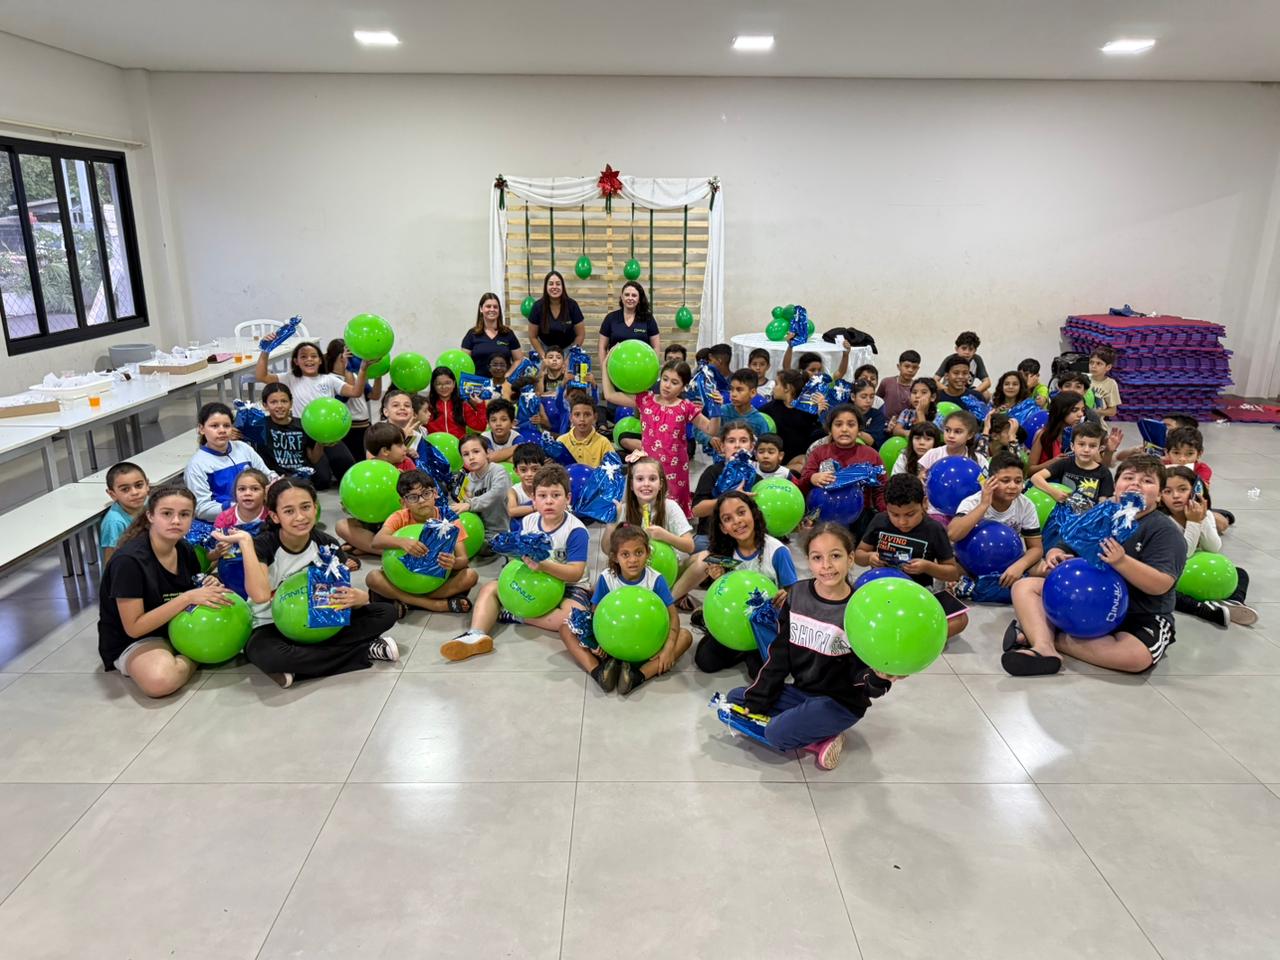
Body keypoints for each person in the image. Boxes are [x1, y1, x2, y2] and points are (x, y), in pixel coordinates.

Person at [727, 523, 900, 771]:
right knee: (737, 698)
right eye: (817, 558)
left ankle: (823, 739)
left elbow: (863, 676)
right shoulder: (797, 594)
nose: (826, 565)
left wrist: (877, 678)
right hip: (802, 692)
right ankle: (805, 720)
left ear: (851, 559)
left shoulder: (860, 609)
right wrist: (757, 699)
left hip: (840, 702)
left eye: (835, 556)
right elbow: (779, 655)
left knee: (776, 734)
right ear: (808, 561)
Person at [1004, 455, 1188, 676]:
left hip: (1139, 613)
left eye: (1147, 481)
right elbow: (1068, 542)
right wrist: (1056, 554)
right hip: (1088, 602)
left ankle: (1043, 634)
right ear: (1116, 487)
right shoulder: (1105, 513)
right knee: (1024, 587)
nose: (1136, 484)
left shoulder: (1165, 531)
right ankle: (1044, 648)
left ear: (1159, 495)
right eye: (1128, 477)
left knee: (1135, 658)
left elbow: (1161, 584)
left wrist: (1121, 562)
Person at [233, 478, 398, 688]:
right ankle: (363, 651)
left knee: (385, 612)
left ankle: (301, 667)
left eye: (305, 507)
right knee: (266, 654)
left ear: (315, 508)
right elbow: (260, 596)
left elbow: (340, 597)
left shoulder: (327, 543)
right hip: (271, 625)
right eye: (289, 511)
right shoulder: (263, 544)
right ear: (275, 516)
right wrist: (246, 543)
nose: (300, 517)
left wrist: (360, 597)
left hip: (321, 622)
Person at [444, 463, 591, 661]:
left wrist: (544, 566)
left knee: (573, 620)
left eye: (556, 495)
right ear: (533, 499)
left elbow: (575, 573)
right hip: (532, 578)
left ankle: (516, 615)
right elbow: (519, 555)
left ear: (568, 499)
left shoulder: (576, 530)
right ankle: (476, 635)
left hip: (570, 586)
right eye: (542, 496)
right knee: (490, 588)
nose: (549, 501)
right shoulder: (529, 521)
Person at [97, 485, 224, 697]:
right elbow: (134, 628)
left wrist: (207, 583)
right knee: (160, 682)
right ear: (150, 516)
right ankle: (196, 655)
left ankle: (186, 651)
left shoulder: (184, 549)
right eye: (166, 513)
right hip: (136, 639)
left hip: (176, 626)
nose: (176, 521)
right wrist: (188, 597)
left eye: (184, 514)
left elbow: (193, 585)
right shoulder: (128, 561)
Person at [560, 524, 693, 693]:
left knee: (685, 636)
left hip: (647, 647)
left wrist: (668, 648)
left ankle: (637, 676)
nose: (633, 560)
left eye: (639, 552)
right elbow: (595, 614)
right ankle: (598, 671)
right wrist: (595, 643)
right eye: (625, 554)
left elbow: (673, 616)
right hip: (609, 647)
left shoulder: (656, 580)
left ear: (648, 553)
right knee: (565, 628)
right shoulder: (607, 578)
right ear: (615, 557)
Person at [684, 490, 798, 675]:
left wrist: (786, 595)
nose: (737, 521)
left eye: (741, 512)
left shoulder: (777, 551)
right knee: (705, 661)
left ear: (753, 513)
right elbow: (726, 595)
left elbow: (795, 592)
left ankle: (746, 650)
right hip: (735, 621)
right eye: (727, 519)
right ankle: (736, 645)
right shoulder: (724, 551)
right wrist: (719, 579)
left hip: (768, 624)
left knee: (759, 672)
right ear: (723, 528)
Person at [855, 473, 968, 638]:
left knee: (960, 620)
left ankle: (907, 637)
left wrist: (927, 567)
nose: (902, 522)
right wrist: (870, 557)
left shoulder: (934, 529)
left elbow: (952, 572)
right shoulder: (879, 521)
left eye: (910, 514)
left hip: (917, 596)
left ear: (924, 503)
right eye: (894, 515)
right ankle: (913, 636)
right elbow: (858, 555)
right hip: (881, 593)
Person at [601, 359, 718, 514]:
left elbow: (711, 429)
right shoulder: (645, 400)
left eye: (674, 382)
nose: (667, 385)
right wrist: (605, 366)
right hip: (648, 467)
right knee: (646, 509)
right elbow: (610, 395)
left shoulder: (686, 407)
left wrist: (716, 409)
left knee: (671, 512)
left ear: (683, 386)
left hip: (675, 470)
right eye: (665, 379)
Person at [365, 470, 479, 616]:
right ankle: (433, 604)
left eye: (426, 493)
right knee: (373, 578)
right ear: (403, 502)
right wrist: (402, 542)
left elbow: (463, 559)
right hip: (404, 576)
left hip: (436, 578)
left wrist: (453, 563)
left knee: (470, 576)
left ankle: (406, 600)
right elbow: (377, 541)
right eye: (413, 497)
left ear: (435, 493)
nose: (421, 500)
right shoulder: (400, 517)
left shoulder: (448, 517)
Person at [1159, 465, 1256, 626]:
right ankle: (1202, 609)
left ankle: (1235, 602)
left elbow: (1214, 548)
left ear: (1195, 491)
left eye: (1183, 489)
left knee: (1240, 573)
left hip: (1197, 571)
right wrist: (1193, 523)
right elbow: (1184, 554)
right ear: (1159, 496)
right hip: (1171, 571)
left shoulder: (1206, 515)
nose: (1175, 496)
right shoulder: (1163, 521)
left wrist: (1201, 519)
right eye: (1167, 491)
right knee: (1165, 589)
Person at [255, 338, 364, 481]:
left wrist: (361, 369)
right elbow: (261, 376)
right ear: (296, 361)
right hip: (304, 436)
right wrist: (266, 350)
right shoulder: (289, 378)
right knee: (321, 479)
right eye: (303, 357)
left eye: (314, 356)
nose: (309, 360)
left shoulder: (329, 379)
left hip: (329, 432)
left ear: (320, 360)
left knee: (347, 468)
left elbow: (356, 392)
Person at [948, 451, 1044, 602]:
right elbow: (953, 534)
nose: (1012, 486)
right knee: (947, 568)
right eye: (1005, 480)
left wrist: (1019, 566)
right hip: (970, 563)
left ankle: (979, 587)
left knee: (1045, 569)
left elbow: (1036, 548)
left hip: (1010, 561)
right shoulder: (973, 502)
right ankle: (988, 586)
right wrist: (984, 505)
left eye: (1018, 481)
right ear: (990, 481)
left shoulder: (1026, 505)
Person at [799, 405, 887, 542]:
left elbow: (881, 489)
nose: (844, 429)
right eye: (838, 424)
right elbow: (803, 484)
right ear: (830, 429)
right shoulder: (819, 452)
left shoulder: (871, 454)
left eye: (851, 425)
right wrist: (813, 477)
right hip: (823, 515)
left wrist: (885, 515)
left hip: (860, 516)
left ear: (859, 429)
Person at [335, 424, 417, 555]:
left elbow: (418, 495)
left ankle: (367, 546)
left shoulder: (407, 464)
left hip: (399, 522)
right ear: (385, 451)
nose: (405, 448)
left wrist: (405, 482)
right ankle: (384, 550)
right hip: (371, 522)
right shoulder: (365, 470)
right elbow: (359, 497)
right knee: (341, 526)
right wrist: (349, 506)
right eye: (400, 445)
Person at [184, 401, 273, 522]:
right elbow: (201, 509)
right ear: (201, 429)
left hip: (258, 516)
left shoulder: (243, 448)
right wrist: (238, 508)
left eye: (226, 425)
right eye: (214, 426)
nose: (222, 430)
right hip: (223, 524)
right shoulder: (197, 465)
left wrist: (276, 482)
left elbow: (267, 475)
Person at [604, 455, 695, 556]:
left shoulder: (670, 507)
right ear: (631, 485)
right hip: (634, 563)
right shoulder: (622, 510)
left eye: (652, 479)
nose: (646, 484)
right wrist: (612, 522)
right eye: (640, 479)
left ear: (660, 484)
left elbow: (690, 546)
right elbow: (607, 550)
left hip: (669, 563)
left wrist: (665, 536)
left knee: (700, 560)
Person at [688, 423, 761, 549]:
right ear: (722, 446)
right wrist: (730, 497)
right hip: (709, 536)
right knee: (699, 553)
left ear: (751, 447)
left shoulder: (756, 479)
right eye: (731, 441)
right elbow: (696, 511)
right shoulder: (712, 472)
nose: (737, 445)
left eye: (743, 441)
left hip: (745, 537)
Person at [254, 383, 331, 487]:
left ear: (291, 403)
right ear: (265, 405)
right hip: (276, 479)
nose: (280, 406)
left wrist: (320, 441)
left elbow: (314, 459)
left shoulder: (303, 425)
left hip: (302, 477)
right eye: (273, 402)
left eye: (284, 401)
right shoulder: (259, 426)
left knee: (324, 479)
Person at [324, 338, 383, 464]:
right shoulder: (330, 379)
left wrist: (378, 373)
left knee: (367, 461)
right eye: (351, 355)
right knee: (354, 463)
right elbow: (353, 392)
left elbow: (374, 395)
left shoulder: (356, 376)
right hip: (350, 430)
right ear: (340, 357)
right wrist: (348, 368)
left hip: (365, 426)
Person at [1030, 420, 1113, 506]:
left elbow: (1104, 504)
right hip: (1061, 512)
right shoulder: (1064, 463)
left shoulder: (1104, 473)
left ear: (1100, 449)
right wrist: (1054, 492)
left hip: (1089, 514)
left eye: (1092, 446)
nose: (1086, 450)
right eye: (1081, 444)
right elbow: (1036, 477)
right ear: (1072, 446)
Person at [760, 369, 824, 470]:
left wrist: (821, 412)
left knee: (802, 463)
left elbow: (822, 433)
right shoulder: (769, 409)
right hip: (775, 458)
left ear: (787, 388)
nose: (773, 388)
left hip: (799, 460)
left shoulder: (808, 409)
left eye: (776, 384)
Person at [452, 435, 512, 538]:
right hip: (479, 534)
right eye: (466, 454)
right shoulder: (466, 480)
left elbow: (497, 494)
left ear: (487, 453)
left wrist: (470, 504)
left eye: (476, 451)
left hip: (504, 532)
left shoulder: (498, 471)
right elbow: (463, 506)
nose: (471, 457)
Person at [597, 280, 660, 372]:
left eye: (634, 295)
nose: (630, 298)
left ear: (639, 299)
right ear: (622, 297)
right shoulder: (610, 318)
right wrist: (604, 370)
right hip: (616, 370)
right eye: (627, 295)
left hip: (642, 371)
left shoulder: (648, 318)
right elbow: (602, 347)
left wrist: (653, 370)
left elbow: (656, 347)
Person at [461, 292, 524, 379]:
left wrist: (507, 376)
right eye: (488, 306)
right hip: (478, 384)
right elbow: (464, 363)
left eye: (495, 307)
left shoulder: (508, 333)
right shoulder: (472, 334)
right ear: (481, 309)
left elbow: (519, 359)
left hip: (503, 384)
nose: (492, 309)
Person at [100, 461, 149, 566]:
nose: (135, 492)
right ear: (112, 494)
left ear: (147, 485)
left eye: (139, 485)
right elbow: (110, 561)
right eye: (125, 489)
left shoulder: (150, 503)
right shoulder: (114, 523)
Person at [917, 410, 988, 481]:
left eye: (957, 432)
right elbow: (920, 477)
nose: (951, 435)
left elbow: (985, 482)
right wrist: (921, 478)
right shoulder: (933, 454)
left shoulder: (979, 460)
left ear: (970, 435)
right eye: (947, 430)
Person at [527, 270, 585, 355]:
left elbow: (580, 335)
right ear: (546, 287)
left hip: (568, 348)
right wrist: (544, 357)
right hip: (543, 348)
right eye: (551, 284)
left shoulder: (572, 305)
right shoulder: (537, 307)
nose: (554, 287)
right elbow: (533, 337)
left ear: (562, 286)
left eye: (558, 284)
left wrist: (569, 358)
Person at [711, 369, 771, 450]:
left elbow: (765, 447)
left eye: (739, 390)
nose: (733, 394)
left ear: (753, 393)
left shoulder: (759, 421)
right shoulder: (722, 411)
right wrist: (709, 439)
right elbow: (700, 430)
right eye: (731, 389)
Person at [1028, 391, 1086, 468]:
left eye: (1083, 410)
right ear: (1060, 410)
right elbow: (1030, 470)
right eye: (1074, 410)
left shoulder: (1083, 435)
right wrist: (1053, 462)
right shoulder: (1044, 435)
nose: (1081, 414)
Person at [425, 366, 487, 438]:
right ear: (433, 386)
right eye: (439, 384)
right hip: (433, 444)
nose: (443, 387)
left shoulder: (462, 405)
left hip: (458, 444)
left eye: (448, 383)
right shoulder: (427, 405)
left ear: (454, 384)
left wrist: (480, 405)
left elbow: (481, 427)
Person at [557, 392, 613, 468]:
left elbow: (613, 469)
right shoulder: (561, 441)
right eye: (577, 414)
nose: (582, 419)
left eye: (587, 414)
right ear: (570, 418)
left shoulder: (604, 443)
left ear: (595, 417)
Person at [934, 331, 990, 398]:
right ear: (956, 349)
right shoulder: (949, 359)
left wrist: (972, 393)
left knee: (986, 394)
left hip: (966, 391)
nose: (967, 352)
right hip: (949, 390)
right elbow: (934, 380)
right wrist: (948, 391)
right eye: (964, 348)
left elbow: (987, 382)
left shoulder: (977, 360)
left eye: (970, 349)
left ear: (975, 351)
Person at [506, 442, 549, 526]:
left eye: (535, 469)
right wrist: (536, 507)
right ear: (516, 471)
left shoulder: (548, 487)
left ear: (543, 468)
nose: (529, 474)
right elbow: (511, 511)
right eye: (523, 470)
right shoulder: (513, 491)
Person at [878, 350, 920, 420]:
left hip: (906, 424)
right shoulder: (886, 382)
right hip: (884, 422)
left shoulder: (917, 387)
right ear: (899, 366)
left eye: (914, 367)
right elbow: (877, 401)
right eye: (907, 366)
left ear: (918, 369)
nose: (910, 370)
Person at [850, 378, 888, 447]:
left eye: (872, 397)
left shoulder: (878, 416)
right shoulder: (843, 413)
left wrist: (851, 431)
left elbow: (872, 442)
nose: (868, 401)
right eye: (863, 397)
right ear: (853, 397)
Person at [1088, 346, 1122, 421]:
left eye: (1099, 363)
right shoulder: (1083, 379)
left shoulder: (1111, 384)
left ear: (1108, 367)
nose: (1093, 366)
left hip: (1097, 424)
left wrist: (1097, 412)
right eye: (1091, 362)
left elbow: (1112, 411)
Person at [482, 397, 518, 463]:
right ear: (488, 423)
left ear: (512, 423)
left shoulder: (517, 437)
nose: (498, 424)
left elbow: (521, 459)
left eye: (503, 419)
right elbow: (489, 458)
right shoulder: (484, 438)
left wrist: (497, 457)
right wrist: (517, 447)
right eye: (493, 420)